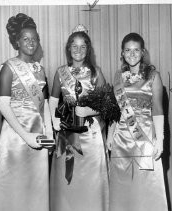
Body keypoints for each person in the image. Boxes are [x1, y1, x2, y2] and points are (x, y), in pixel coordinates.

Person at [0, 13, 53, 211]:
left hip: (38, 134)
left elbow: (46, 105)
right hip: (17, 136)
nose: (31, 43)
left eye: (35, 38)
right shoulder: (8, 68)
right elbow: (3, 105)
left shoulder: (40, 70)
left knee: (35, 187)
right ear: (16, 42)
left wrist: (49, 134)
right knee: (15, 187)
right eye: (26, 39)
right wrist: (26, 136)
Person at [49, 24, 109, 211]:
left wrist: (88, 112)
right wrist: (55, 120)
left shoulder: (96, 72)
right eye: (74, 46)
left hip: (90, 135)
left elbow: (107, 106)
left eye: (83, 46)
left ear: (88, 49)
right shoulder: (60, 72)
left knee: (90, 182)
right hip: (67, 132)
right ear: (68, 48)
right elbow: (51, 101)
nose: (78, 50)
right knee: (68, 182)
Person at [107, 32, 168, 211]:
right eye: (127, 50)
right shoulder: (118, 76)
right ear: (122, 53)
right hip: (121, 140)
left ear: (143, 52)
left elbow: (158, 109)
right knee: (123, 188)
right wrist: (110, 135)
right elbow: (114, 110)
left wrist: (160, 140)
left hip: (145, 138)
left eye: (136, 50)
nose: (132, 54)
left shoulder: (153, 76)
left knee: (146, 187)